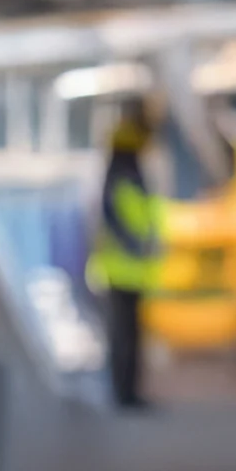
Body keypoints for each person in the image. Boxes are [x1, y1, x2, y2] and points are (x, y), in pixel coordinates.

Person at [86, 99, 162, 411]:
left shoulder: (120, 175)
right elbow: (120, 220)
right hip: (123, 269)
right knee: (124, 336)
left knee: (127, 335)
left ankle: (127, 391)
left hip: (128, 268)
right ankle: (124, 393)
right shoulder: (125, 177)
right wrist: (138, 244)